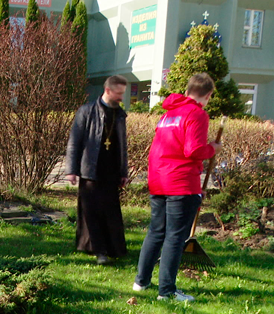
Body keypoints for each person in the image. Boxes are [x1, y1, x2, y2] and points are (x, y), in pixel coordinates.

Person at [133, 73, 222, 302]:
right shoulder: (197, 114)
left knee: (156, 232)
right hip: (181, 182)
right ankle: (167, 291)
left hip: (159, 179)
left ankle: (141, 282)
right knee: (175, 237)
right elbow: (192, 150)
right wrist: (212, 148)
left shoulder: (168, 115)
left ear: (188, 89)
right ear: (208, 95)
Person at [64, 75, 129, 265]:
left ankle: (113, 248)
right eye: (118, 94)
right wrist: (71, 170)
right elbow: (74, 141)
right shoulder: (86, 111)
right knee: (91, 211)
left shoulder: (120, 114)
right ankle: (99, 250)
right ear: (108, 91)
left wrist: (123, 172)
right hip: (90, 169)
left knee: (110, 211)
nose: (121, 98)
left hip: (111, 171)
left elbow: (122, 147)